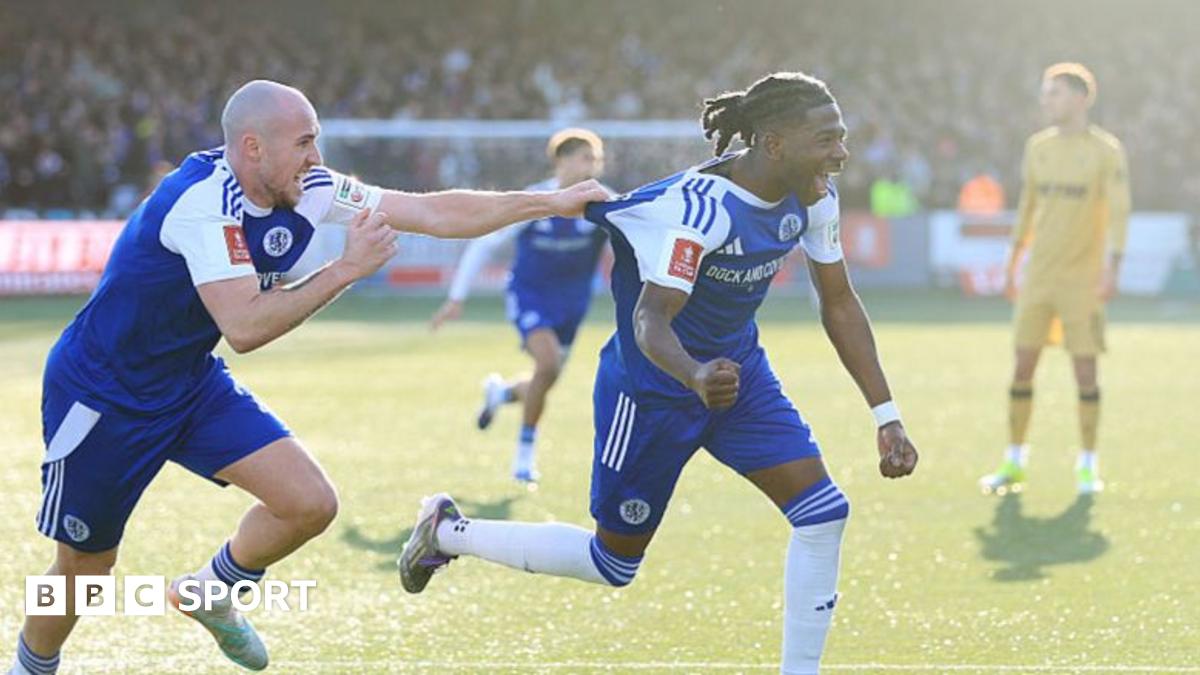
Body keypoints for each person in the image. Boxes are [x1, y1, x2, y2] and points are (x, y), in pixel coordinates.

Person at [10, 79, 604, 675]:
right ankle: (31, 667)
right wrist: (345, 268)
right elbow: (244, 326)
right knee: (84, 573)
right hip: (102, 396)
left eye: (315, 140)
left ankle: (211, 591)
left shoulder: (308, 188)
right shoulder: (201, 204)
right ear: (252, 148)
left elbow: (429, 211)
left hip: (188, 382)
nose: (316, 158)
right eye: (303, 143)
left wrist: (548, 202)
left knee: (308, 503)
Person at [399, 72, 918, 674]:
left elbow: (839, 303)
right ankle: (447, 532)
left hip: (737, 377)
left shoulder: (815, 198)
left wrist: (887, 415)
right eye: (826, 139)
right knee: (612, 564)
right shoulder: (699, 212)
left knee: (823, 512)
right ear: (774, 143)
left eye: (842, 136)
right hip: (650, 390)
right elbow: (650, 321)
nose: (841, 153)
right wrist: (694, 375)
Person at [980, 63, 1129, 495]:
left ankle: (1087, 465)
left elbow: (1119, 211)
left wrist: (1113, 267)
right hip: (1038, 278)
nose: (1047, 101)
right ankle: (1014, 461)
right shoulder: (1037, 148)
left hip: (1082, 280)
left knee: (1085, 372)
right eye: (1046, 94)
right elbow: (1027, 207)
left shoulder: (1106, 151)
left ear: (1080, 98)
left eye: (1055, 93)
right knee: (1023, 366)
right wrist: (1012, 264)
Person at [429, 129, 609, 482]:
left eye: (597, 160)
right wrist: (456, 297)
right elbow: (483, 245)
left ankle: (502, 392)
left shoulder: (604, 202)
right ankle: (524, 455)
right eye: (586, 157)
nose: (594, 166)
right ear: (563, 160)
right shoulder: (534, 201)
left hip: (573, 304)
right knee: (548, 362)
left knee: (546, 377)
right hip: (531, 296)